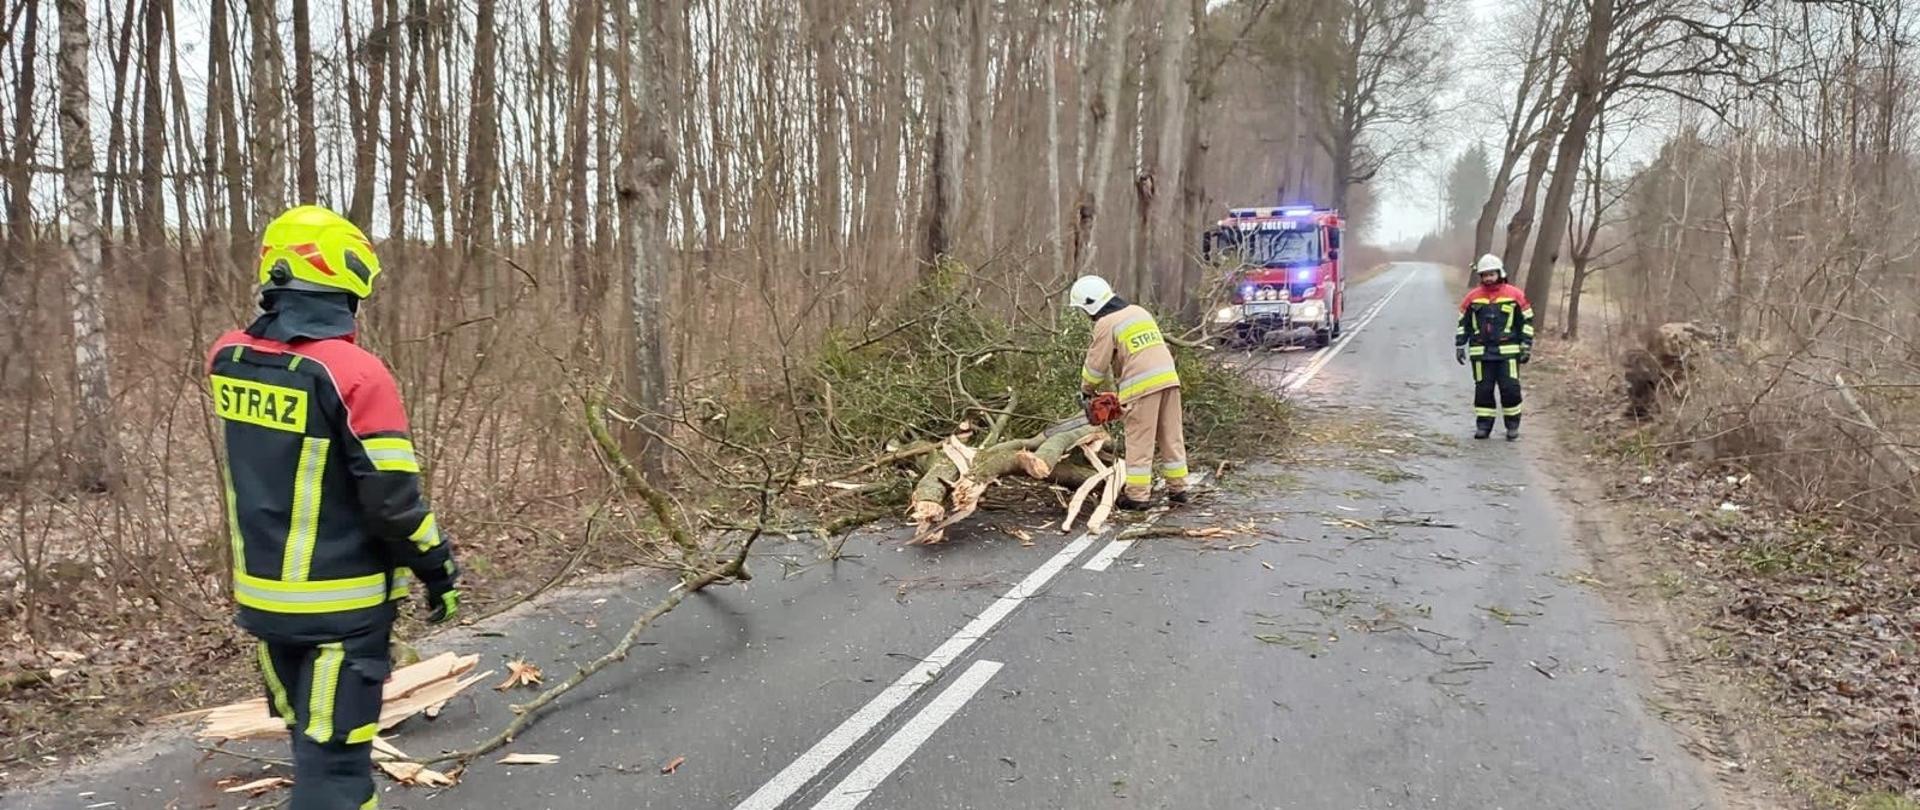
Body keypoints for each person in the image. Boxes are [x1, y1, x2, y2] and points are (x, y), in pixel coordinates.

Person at [207, 205, 460, 810]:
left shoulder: (229, 358)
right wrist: (437, 567)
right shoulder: (355, 374)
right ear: (345, 283)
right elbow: (393, 502)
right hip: (342, 610)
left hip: (265, 601)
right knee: (337, 773)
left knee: (312, 747)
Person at [1071, 275, 1190, 508]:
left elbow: (1096, 365)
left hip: (1142, 386)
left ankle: (1137, 496)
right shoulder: (1138, 312)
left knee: (1139, 441)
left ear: (1090, 305)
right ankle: (1179, 489)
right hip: (1168, 379)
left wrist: (1086, 390)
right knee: (1171, 436)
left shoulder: (1106, 323)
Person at [1454, 253, 1535, 440]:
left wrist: (1526, 345)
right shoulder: (1472, 298)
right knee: (1483, 390)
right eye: (1485, 275)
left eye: (1492, 274)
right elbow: (1462, 323)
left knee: (1510, 389)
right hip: (1481, 353)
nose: (1489, 278)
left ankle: (1512, 426)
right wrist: (1460, 345)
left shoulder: (1515, 295)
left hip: (1509, 352)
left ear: (1500, 273)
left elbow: (1527, 321)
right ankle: (1483, 426)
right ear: (1480, 277)